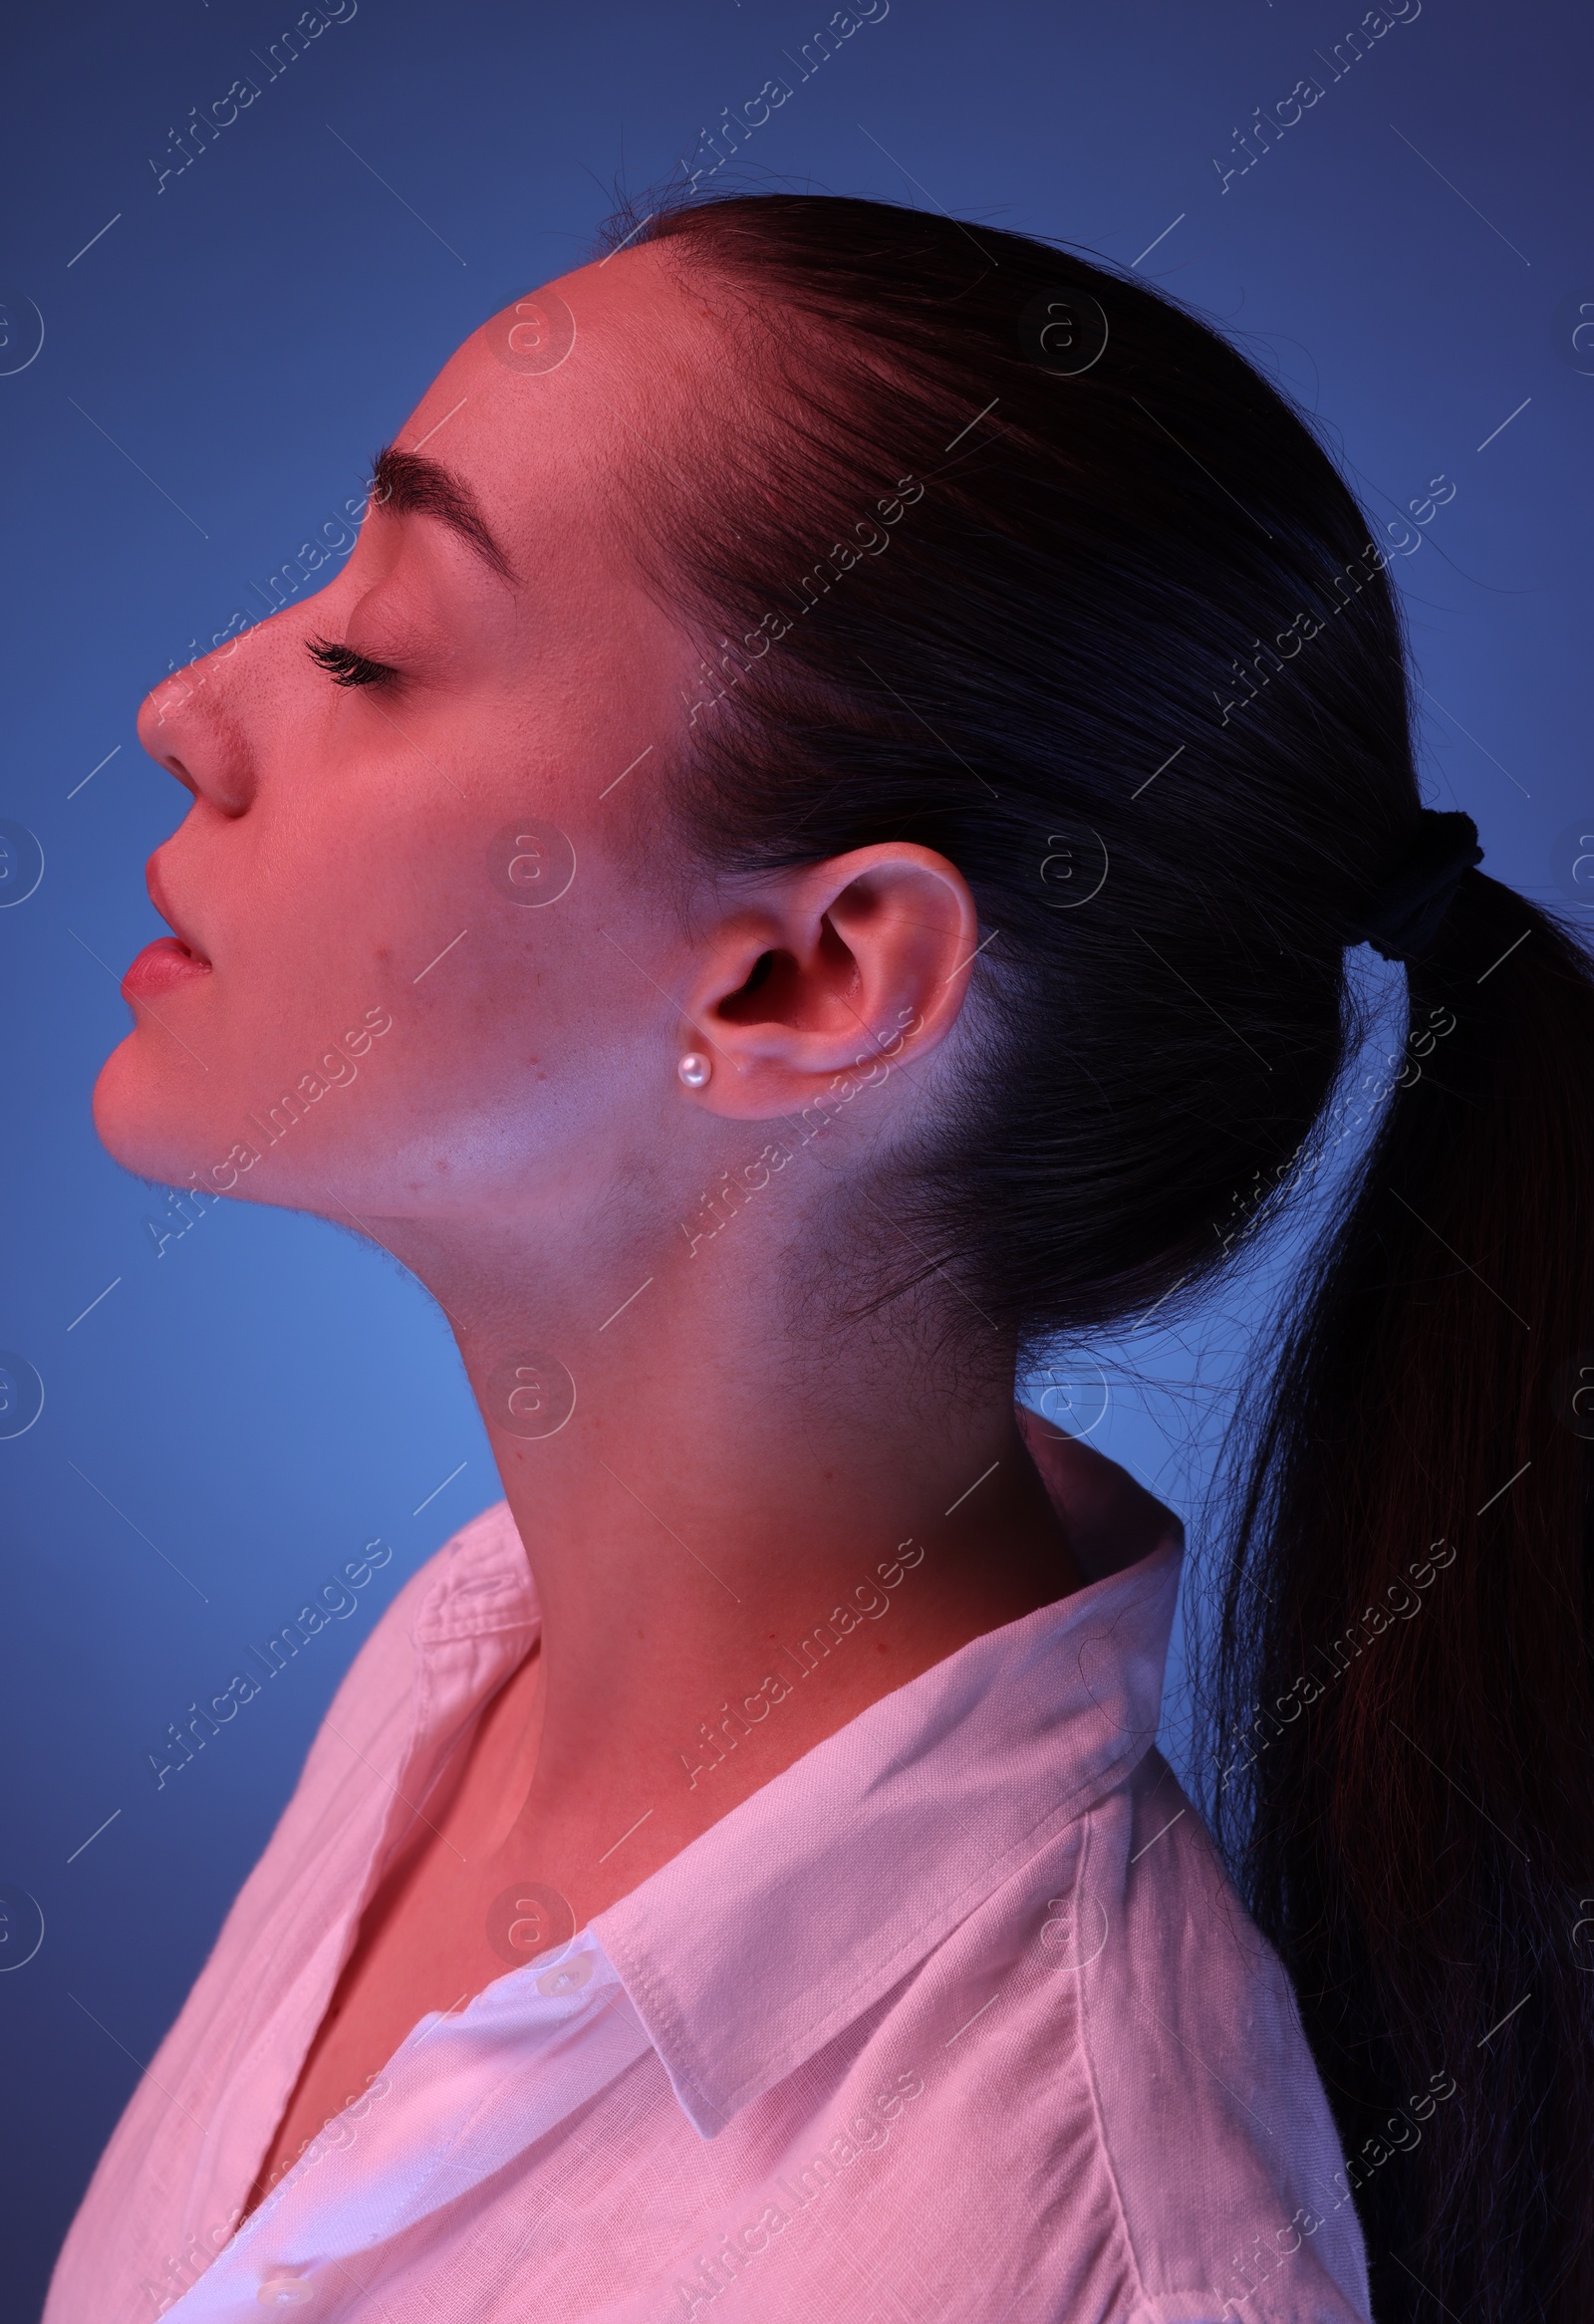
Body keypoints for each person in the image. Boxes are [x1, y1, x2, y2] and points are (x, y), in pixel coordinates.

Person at [50, 192, 1593, 2324]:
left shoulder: (1077, 2246)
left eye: (374, 652)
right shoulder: (462, 1661)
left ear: (805, 977)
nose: (188, 707)